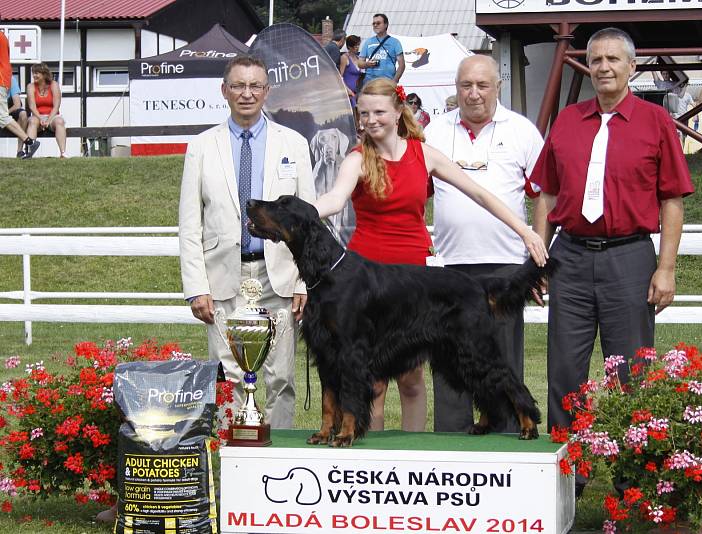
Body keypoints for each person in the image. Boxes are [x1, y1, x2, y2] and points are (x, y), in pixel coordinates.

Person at [312, 77, 548, 432]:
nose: (370, 120)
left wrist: (525, 230)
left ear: (397, 112)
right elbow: (334, 199)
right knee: (372, 381)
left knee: (411, 378)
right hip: (367, 275)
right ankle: (370, 456)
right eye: (363, 114)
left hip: (411, 273)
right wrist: (305, 213)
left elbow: (480, 194)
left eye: (378, 112)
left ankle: (413, 452)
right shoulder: (357, 159)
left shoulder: (424, 154)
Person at [531, 27, 694, 495]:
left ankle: (632, 484)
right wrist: (540, 260)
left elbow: (673, 200)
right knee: (565, 374)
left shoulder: (655, 122)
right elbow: (547, 194)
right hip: (570, 258)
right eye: (596, 59)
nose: (603, 67)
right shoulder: (566, 121)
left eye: (613, 60)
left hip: (629, 257)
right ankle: (568, 481)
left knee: (631, 375)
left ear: (631, 67)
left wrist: (666, 268)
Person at [178, 56, 315, 433]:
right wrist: (196, 288)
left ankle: (281, 458)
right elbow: (190, 224)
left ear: (267, 91)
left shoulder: (294, 144)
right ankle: (233, 460)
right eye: (238, 85)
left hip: (280, 277)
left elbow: (311, 221)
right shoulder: (202, 147)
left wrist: (305, 282)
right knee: (230, 379)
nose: (247, 93)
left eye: (255, 86)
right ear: (224, 91)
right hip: (224, 276)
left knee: (281, 379)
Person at [424, 55, 545, 433]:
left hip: (505, 264)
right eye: (465, 86)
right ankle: (451, 442)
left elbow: (544, 194)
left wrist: (537, 257)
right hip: (448, 268)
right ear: (455, 88)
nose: (473, 94)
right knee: (448, 362)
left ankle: (507, 440)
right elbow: (416, 191)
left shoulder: (523, 130)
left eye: (482, 85)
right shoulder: (433, 132)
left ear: (498, 86)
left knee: (502, 361)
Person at [0, 27, 39, 157]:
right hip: (3, 79)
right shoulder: (2, 37)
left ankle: (29, 142)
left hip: (0, 80)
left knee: (2, 116)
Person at [25, 63, 68, 158]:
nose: (34, 76)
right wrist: (40, 119)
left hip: (52, 116)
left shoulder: (54, 85)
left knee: (59, 121)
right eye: (33, 73)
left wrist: (48, 120)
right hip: (37, 115)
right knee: (32, 121)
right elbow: (32, 106)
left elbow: (56, 106)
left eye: (37, 73)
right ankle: (29, 152)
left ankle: (63, 153)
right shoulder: (30, 86)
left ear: (44, 74)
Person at [358, 13, 404, 84]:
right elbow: (360, 63)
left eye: (378, 23)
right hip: (370, 82)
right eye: (374, 24)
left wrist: (394, 81)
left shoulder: (395, 42)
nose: (375, 25)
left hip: (387, 82)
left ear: (386, 25)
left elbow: (402, 65)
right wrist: (367, 64)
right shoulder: (368, 42)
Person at [8, 75, 28, 158]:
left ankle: (19, 151)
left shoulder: (10, 79)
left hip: (8, 109)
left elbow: (17, 105)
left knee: (23, 114)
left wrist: (4, 114)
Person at [340, 35, 361, 108]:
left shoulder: (358, 58)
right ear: (349, 46)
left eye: (358, 45)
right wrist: (347, 90)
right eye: (355, 46)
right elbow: (340, 77)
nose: (357, 47)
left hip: (356, 93)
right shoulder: (344, 57)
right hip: (348, 93)